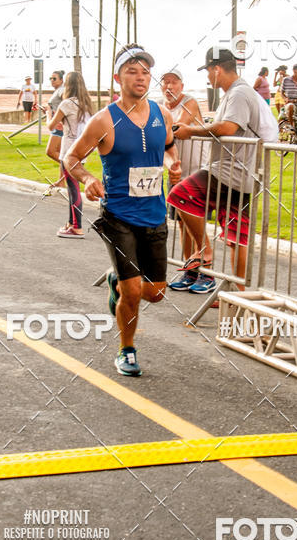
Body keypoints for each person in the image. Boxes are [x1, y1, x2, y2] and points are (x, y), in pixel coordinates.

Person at [63, 45, 181, 378]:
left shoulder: (163, 114)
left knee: (155, 293)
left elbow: (169, 147)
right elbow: (70, 158)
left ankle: (118, 279)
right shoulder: (104, 120)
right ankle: (126, 349)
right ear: (118, 78)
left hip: (155, 213)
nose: (141, 77)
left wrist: (173, 164)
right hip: (118, 215)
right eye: (132, 71)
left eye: (145, 71)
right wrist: (87, 177)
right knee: (132, 292)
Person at [168, 46, 278, 292]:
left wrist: (191, 131)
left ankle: (204, 250)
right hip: (242, 172)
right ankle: (235, 294)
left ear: (216, 69)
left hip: (230, 170)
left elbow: (228, 128)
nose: (207, 77)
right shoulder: (238, 92)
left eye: (208, 71)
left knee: (180, 195)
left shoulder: (239, 93)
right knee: (236, 238)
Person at [159, 68, 205, 274]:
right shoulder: (160, 109)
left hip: (197, 172)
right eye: (165, 82)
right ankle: (191, 270)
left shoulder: (190, 102)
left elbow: (179, 128)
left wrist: (158, 130)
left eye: (174, 82)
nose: (169, 86)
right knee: (181, 222)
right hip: (176, 171)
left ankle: (204, 271)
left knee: (196, 225)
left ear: (182, 86)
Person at [48, 72, 93, 238]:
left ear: (68, 86)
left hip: (68, 152)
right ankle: (70, 222)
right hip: (81, 151)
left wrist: (48, 113)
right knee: (72, 187)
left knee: (73, 189)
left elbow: (50, 126)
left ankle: (77, 227)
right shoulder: (86, 104)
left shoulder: (66, 104)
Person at [42, 70, 66, 189]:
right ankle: (61, 182)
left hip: (59, 126)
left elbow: (66, 103)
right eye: (50, 78)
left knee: (50, 152)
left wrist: (62, 118)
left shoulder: (62, 90)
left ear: (61, 80)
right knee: (61, 154)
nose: (52, 80)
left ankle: (70, 166)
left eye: (54, 78)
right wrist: (47, 111)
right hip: (57, 124)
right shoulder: (57, 91)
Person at [281, 63, 297, 128]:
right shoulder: (286, 80)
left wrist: (294, 100)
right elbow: (282, 92)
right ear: (294, 71)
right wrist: (285, 99)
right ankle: (291, 127)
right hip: (289, 104)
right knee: (290, 106)